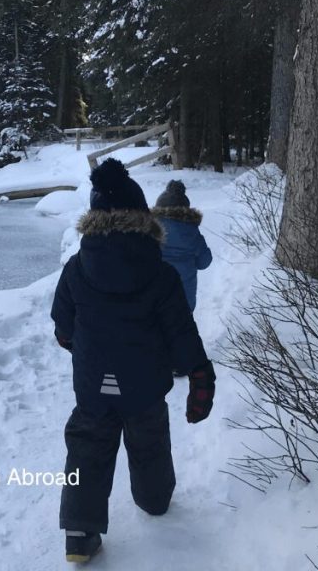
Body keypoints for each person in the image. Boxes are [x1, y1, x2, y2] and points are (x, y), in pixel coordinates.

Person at [51, 158, 216, 563]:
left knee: (87, 448)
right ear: (143, 218)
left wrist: (74, 342)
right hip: (144, 387)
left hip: (93, 384)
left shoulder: (76, 268)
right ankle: (154, 500)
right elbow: (181, 332)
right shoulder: (161, 276)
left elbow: (61, 321)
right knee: (150, 445)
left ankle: (79, 531)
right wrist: (199, 374)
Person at [151, 180, 213, 311]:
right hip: (184, 300)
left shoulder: (150, 230)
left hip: (155, 297)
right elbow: (205, 262)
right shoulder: (191, 231)